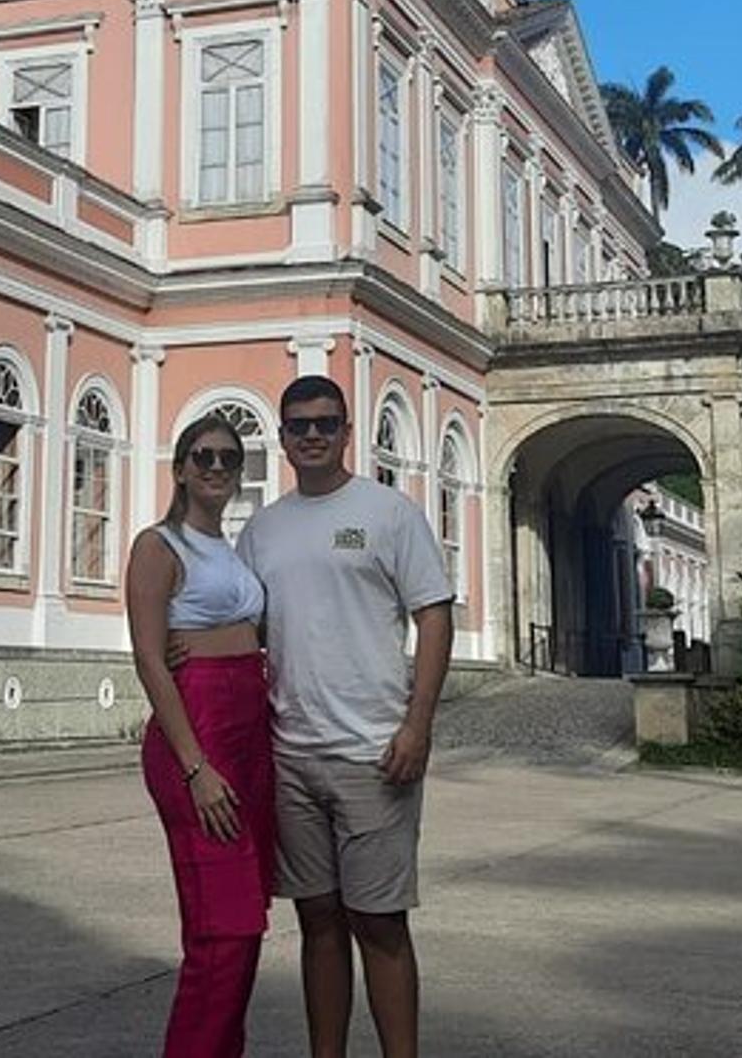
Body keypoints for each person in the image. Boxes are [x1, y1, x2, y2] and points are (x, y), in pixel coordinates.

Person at [237, 376, 454, 1058]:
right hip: (293, 753)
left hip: (374, 751)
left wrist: (418, 723)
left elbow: (434, 614)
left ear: (347, 430)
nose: (312, 435)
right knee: (317, 919)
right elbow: (243, 623)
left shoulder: (389, 513)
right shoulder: (264, 528)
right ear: (281, 437)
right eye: (299, 425)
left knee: (379, 920)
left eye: (326, 423)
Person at [126, 414, 274, 1057]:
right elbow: (150, 657)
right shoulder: (159, 545)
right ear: (180, 468)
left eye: (229, 460)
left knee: (246, 921)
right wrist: (195, 766)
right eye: (203, 457)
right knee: (224, 930)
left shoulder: (230, 549)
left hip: (251, 726)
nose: (217, 468)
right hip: (201, 732)